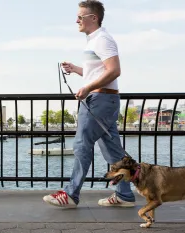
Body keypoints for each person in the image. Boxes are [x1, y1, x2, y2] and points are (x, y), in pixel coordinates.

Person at [43, 0, 135, 208]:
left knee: (82, 145)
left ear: (93, 18)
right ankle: (125, 195)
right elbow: (100, 72)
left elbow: (114, 70)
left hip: (99, 100)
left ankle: (70, 194)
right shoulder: (95, 41)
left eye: (80, 16)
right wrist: (76, 69)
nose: (76, 20)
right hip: (105, 99)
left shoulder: (102, 39)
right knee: (113, 151)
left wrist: (86, 89)